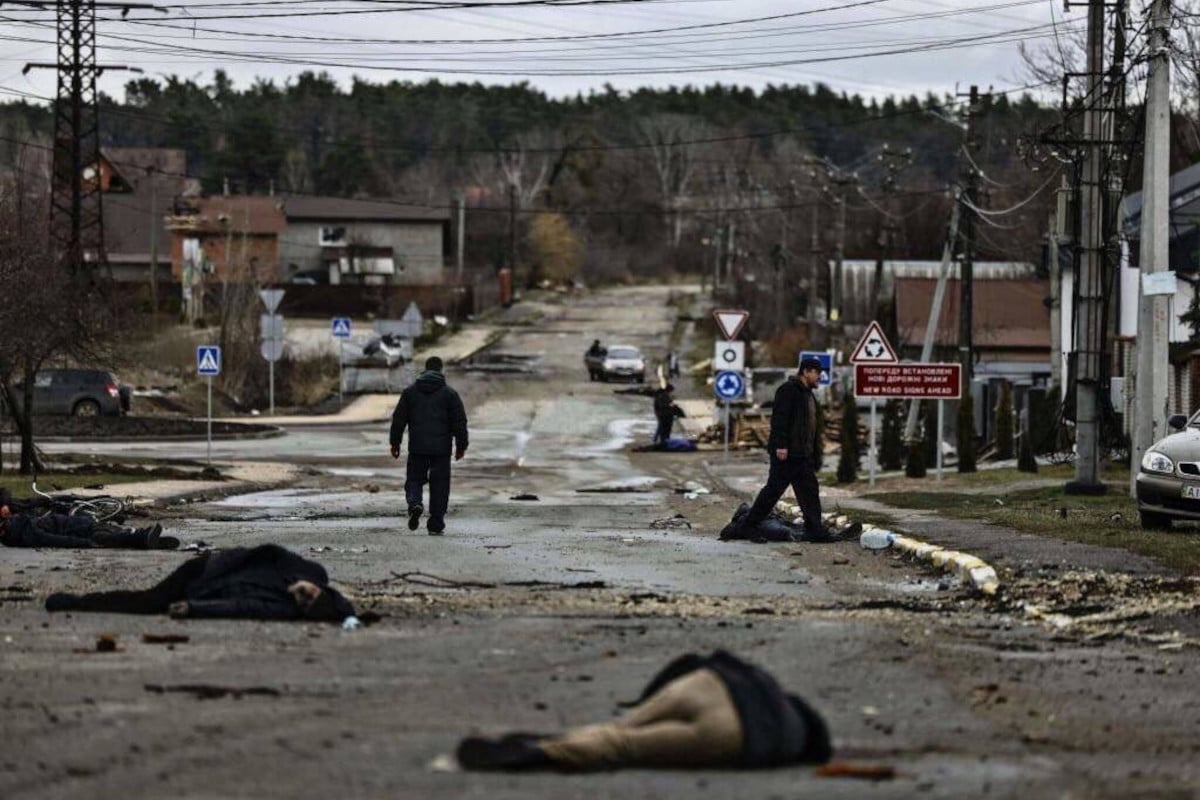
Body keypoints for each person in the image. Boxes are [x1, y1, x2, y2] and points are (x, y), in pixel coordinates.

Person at [456, 650, 832, 771]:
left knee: (623, 726)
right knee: (626, 747)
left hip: (708, 683)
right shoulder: (789, 741)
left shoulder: (771, 687)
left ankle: (583, 735)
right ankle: (546, 751)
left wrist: (644, 699)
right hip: (732, 732)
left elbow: (697, 660)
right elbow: (756, 754)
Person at [45, 544, 355, 622]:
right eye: (310, 596)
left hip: (204, 589)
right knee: (149, 602)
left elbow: (242, 607)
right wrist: (299, 579)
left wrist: (195, 608)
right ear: (320, 589)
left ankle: (74, 602)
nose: (302, 597)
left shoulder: (287, 609)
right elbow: (271, 551)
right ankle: (73, 602)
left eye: (305, 605)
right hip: (206, 570)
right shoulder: (312, 570)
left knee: (148, 604)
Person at [737, 356, 830, 541]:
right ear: (806, 371)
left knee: (809, 490)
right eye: (817, 373)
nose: (820, 376)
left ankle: (815, 530)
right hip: (787, 454)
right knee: (773, 491)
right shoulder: (788, 390)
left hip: (801, 455)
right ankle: (748, 526)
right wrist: (781, 445)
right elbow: (780, 419)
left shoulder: (807, 394)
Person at [389, 356, 469, 535]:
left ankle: (415, 503)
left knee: (414, 480)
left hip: (417, 448)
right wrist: (461, 446)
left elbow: (399, 420)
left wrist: (395, 442)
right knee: (440, 486)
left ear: (424, 370)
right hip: (441, 450)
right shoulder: (450, 394)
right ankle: (436, 522)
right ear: (441, 371)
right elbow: (459, 422)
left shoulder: (410, 393)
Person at [0, 504, 178, 549]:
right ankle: (143, 537)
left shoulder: (22, 523)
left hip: (82, 524)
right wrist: (82, 543)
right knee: (106, 538)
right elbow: (55, 540)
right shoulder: (25, 532)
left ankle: (143, 539)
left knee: (112, 535)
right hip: (82, 530)